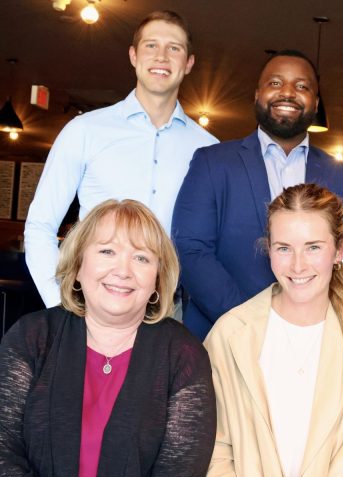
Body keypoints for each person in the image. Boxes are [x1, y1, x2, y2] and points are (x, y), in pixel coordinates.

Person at [0, 199, 216, 477]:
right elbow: (3, 457)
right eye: (107, 251)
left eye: (141, 258)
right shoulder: (30, 337)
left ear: (157, 279)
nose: (123, 270)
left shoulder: (183, 355)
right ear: (77, 266)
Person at [201, 183, 343, 477]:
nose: (298, 265)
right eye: (284, 248)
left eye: (313, 247)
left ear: (339, 250)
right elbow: (215, 446)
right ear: (269, 249)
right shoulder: (230, 334)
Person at [173, 50, 343, 341]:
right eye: (276, 83)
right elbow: (191, 249)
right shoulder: (212, 163)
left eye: (302, 86)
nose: (289, 92)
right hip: (223, 336)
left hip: (315, 341)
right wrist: (248, 322)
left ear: (316, 103)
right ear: (257, 94)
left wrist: (314, 324)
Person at [24, 10, 218, 308]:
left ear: (189, 62)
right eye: (151, 45)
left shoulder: (208, 148)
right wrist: (62, 307)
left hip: (171, 313)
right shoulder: (85, 130)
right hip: (92, 307)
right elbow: (40, 226)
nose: (161, 56)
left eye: (174, 48)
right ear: (133, 55)